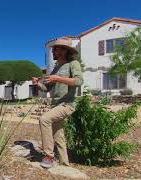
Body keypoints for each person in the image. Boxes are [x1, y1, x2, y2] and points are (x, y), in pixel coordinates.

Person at [33, 37, 83, 168]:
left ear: (64, 51)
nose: (53, 51)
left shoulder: (73, 64)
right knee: (58, 135)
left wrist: (58, 78)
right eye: (53, 49)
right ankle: (64, 163)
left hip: (67, 104)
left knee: (44, 119)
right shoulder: (55, 69)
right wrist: (37, 84)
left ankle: (48, 156)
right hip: (55, 105)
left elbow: (78, 81)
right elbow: (47, 89)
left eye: (56, 49)